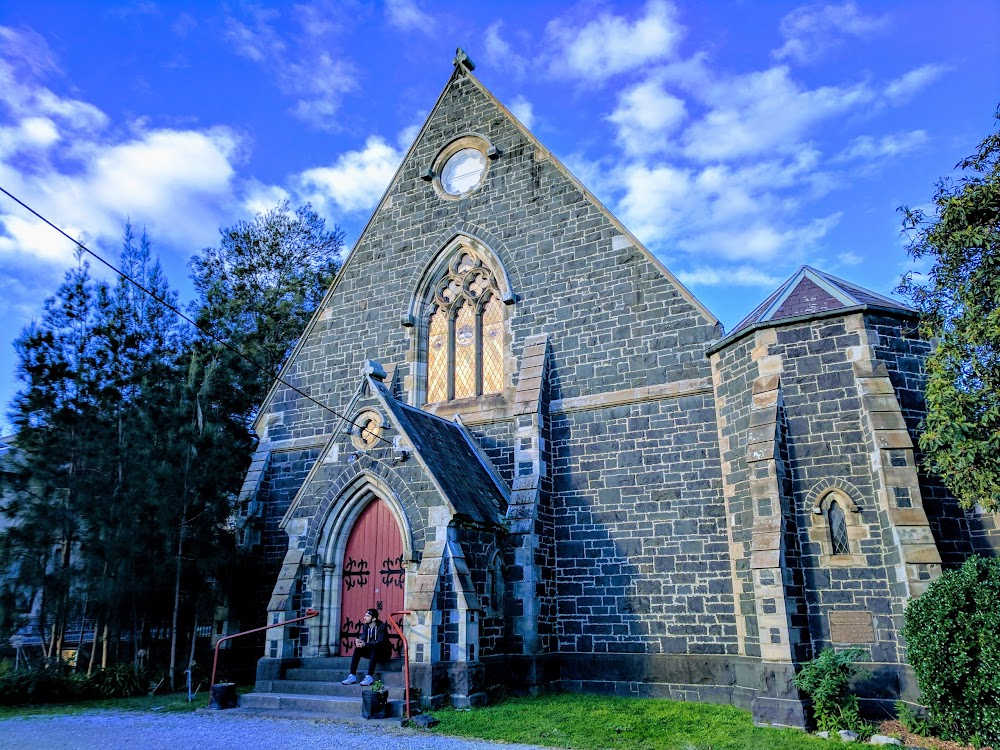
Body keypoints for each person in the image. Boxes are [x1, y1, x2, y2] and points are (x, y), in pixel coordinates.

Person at [341, 608, 390, 685]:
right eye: (365, 615)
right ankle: (352, 675)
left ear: (373, 618)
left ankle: (369, 676)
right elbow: (364, 638)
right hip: (371, 652)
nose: (364, 617)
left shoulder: (382, 626)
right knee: (358, 649)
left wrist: (365, 644)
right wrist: (359, 642)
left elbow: (380, 642)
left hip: (383, 654)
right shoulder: (366, 626)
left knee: (375, 648)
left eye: (367, 616)